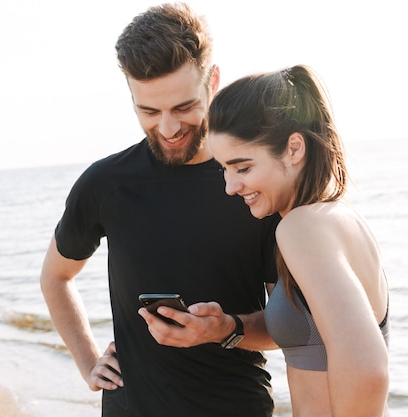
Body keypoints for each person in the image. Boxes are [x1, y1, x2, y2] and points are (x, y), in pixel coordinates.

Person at [39, 3, 281, 416]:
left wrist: (226, 329)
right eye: (149, 111)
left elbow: (287, 326)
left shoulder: (256, 182)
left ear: (213, 82)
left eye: (184, 107)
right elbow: (56, 278)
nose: (168, 128)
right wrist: (88, 362)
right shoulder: (105, 183)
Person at [207, 65, 391, 416]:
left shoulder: (300, 228)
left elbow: (368, 368)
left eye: (242, 168)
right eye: (224, 169)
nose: (230, 187)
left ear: (293, 148)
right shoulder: (338, 217)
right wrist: (224, 328)